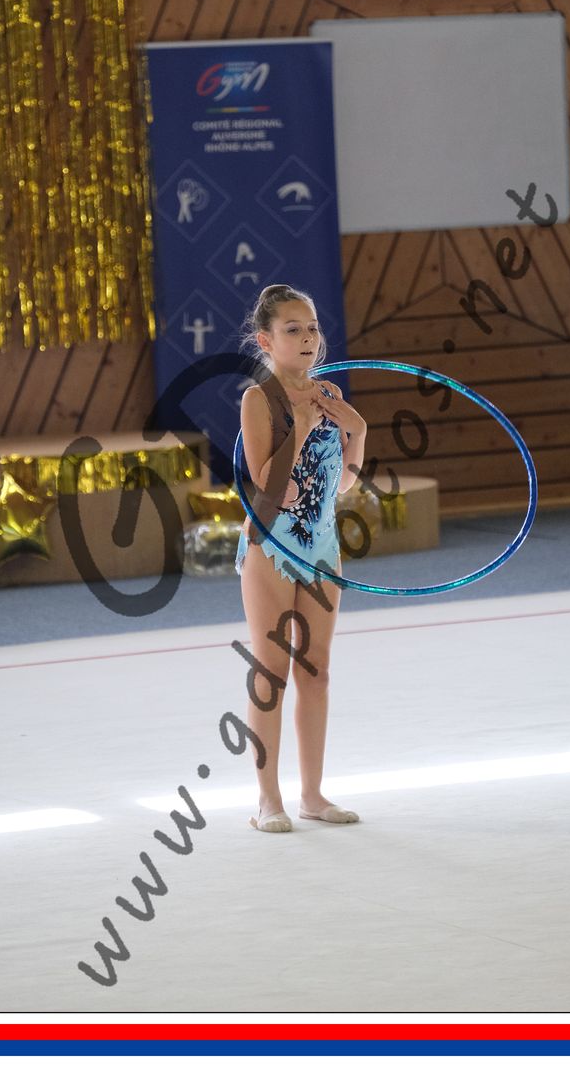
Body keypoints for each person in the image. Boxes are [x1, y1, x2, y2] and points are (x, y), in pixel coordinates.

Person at [235, 284, 368, 833]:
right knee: (272, 671)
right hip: (272, 544)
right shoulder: (258, 400)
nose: (309, 337)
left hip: (321, 547)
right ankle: (268, 798)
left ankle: (312, 794)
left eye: (312, 327)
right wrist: (305, 427)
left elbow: (342, 485)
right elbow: (271, 491)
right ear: (266, 340)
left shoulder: (327, 392)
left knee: (316, 670)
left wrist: (357, 430)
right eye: (293, 329)